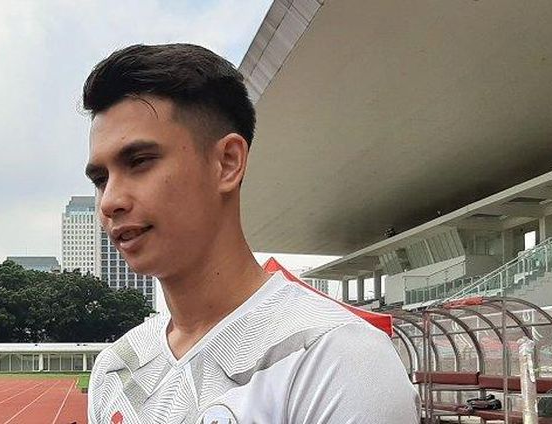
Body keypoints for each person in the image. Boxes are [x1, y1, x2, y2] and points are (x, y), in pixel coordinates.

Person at [83, 43, 419, 424]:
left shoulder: (335, 357)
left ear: (227, 163)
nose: (110, 200)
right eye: (100, 179)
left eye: (139, 162)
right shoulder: (116, 370)